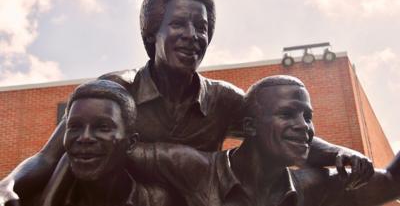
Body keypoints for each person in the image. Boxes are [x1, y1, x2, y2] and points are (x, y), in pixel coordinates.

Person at [0, 0, 373, 204]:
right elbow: (49, 157)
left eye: (201, 26)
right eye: (178, 24)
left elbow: (278, 131)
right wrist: (6, 186)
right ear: (153, 34)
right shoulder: (115, 90)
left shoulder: (223, 99)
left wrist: (339, 152)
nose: (192, 35)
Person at [127, 75, 400, 206]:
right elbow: (113, 153)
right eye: (287, 113)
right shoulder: (192, 168)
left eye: (308, 116)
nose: (303, 126)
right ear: (249, 125)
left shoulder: (314, 186)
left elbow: (391, 182)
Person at [26, 80, 172, 206]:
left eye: (103, 127)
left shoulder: (155, 201)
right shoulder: (34, 201)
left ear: (131, 143)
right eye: (75, 127)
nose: (85, 137)